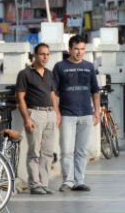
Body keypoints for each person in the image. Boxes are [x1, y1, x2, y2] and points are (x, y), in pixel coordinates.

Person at [53, 35, 101, 192]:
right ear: (69, 49)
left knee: (81, 150)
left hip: (86, 114)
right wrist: (57, 113)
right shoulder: (60, 67)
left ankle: (80, 180)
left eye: (82, 49)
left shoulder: (89, 66)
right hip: (67, 114)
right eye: (76, 49)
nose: (80, 52)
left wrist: (97, 111)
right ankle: (68, 181)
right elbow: (54, 92)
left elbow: (95, 90)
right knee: (67, 150)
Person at [16, 43, 60, 195]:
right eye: (42, 54)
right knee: (34, 151)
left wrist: (57, 113)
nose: (45, 57)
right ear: (35, 55)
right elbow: (20, 98)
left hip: (50, 114)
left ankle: (44, 183)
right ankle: (35, 184)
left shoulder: (49, 73)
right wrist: (27, 119)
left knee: (47, 152)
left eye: (47, 54)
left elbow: (53, 95)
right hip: (35, 113)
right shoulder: (25, 74)